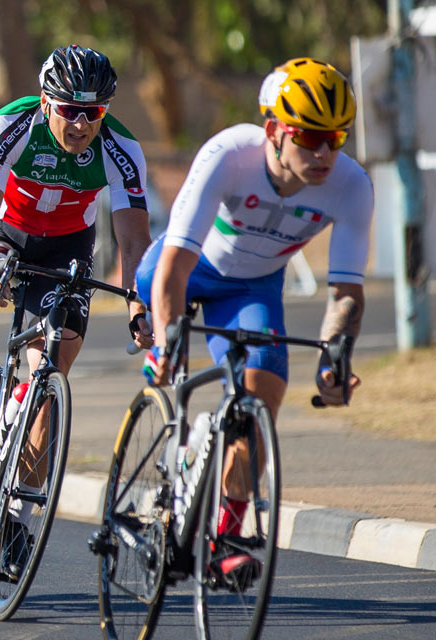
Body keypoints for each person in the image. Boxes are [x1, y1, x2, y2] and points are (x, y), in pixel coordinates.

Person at [136, 57, 370, 580]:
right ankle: (169, 464)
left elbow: (346, 292)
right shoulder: (229, 154)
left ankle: (226, 534)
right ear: (273, 131)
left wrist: (335, 357)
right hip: (186, 269)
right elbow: (173, 264)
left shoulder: (351, 185)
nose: (325, 152)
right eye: (309, 137)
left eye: (336, 137)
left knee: (262, 394)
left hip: (251, 287)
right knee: (168, 356)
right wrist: (167, 344)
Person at [0, 44, 153, 581]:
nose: (82, 123)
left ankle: (20, 512)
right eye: (71, 110)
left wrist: (139, 301)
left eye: (95, 112)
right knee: (3, 285)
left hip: (69, 247)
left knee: (53, 369)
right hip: (8, 235)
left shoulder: (119, 146)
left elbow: (134, 238)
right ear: (47, 103)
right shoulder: (12, 123)